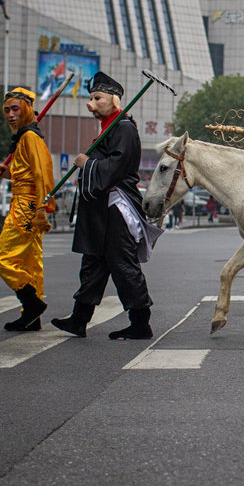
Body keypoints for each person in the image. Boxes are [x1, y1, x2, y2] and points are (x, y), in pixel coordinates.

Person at [51, 72, 162, 340]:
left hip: (117, 207)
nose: (92, 103)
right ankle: (79, 319)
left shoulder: (123, 128)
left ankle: (140, 322)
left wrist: (86, 164)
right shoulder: (109, 128)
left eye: (97, 98)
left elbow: (117, 167)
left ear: (113, 100)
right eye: (90, 98)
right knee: (94, 261)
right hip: (102, 209)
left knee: (122, 263)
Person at [0, 87, 55, 332]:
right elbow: (26, 175)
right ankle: (31, 316)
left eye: (15, 109)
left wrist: (41, 207)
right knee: (31, 262)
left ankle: (31, 302)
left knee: (1, 258)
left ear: (27, 108)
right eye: (6, 110)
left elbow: (41, 174)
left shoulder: (29, 137)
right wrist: (7, 173)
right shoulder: (26, 137)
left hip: (26, 207)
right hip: (28, 202)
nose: (10, 114)